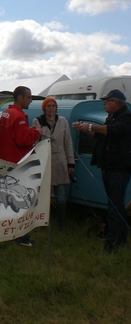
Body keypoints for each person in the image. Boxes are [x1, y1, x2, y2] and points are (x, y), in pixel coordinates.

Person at [72, 89, 131, 254]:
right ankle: (121, 240)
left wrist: (90, 125)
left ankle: (111, 246)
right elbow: (99, 135)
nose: (104, 103)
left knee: (114, 208)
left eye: (107, 101)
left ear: (116, 102)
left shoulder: (126, 117)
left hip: (118, 170)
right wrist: (83, 129)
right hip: (109, 168)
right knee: (116, 206)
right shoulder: (111, 117)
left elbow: (111, 130)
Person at [0, 86, 42, 246]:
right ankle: (21, 235)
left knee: (8, 198)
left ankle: (8, 230)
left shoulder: (6, 113)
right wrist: (36, 132)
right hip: (18, 163)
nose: (31, 100)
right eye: (29, 97)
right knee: (21, 199)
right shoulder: (19, 116)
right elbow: (23, 140)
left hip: (6, 160)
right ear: (20, 98)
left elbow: (13, 135)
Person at [32, 97, 75, 232]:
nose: (51, 108)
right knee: (43, 193)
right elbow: (34, 143)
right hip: (44, 161)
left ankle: (62, 224)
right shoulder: (38, 121)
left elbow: (68, 142)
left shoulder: (63, 121)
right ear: (44, 108)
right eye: (48, 106)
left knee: (61, 194)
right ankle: (41, 222)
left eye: (53, 106)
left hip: (60, 160)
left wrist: (71, 163)